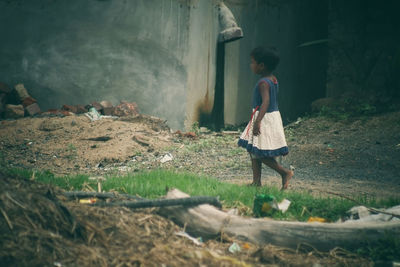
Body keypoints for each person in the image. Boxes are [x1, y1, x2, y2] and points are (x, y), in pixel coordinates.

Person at [238, 46, 294, 190]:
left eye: (252, 62)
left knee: (259, 152)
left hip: (264, 118)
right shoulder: (273, 79)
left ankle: (284, 172)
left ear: (261, 66)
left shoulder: (263, 83)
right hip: (271, 117)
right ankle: (256, 182)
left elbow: (266, 102)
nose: (251, 65)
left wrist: (258, 122)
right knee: (253, 150)